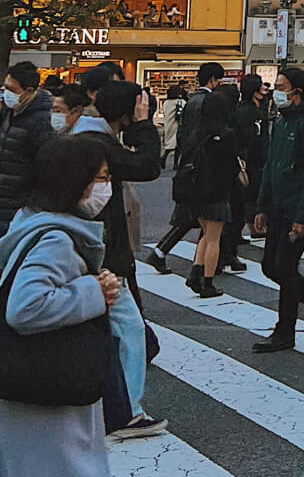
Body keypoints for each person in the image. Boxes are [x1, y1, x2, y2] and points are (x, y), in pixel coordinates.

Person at [0, 134, 122, 477]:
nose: (107, 187)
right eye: (101, 178)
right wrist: (94, 292)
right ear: (75, 182)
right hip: (50, 393)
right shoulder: (56, 238)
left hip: (28, 393)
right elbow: (25, 307)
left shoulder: (29, 220)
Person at [71, 81, 164, 438]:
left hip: (92, 250)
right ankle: (126, 411)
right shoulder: (99, 144)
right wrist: (143, 125)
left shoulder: (80, 135)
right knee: (130, 330)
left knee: (124, 330)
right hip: (103, 253)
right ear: (127, 114)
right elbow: (146, 166)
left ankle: (117, 405)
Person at [251, 68, 304, 353]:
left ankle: (285, 330)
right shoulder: (282, 121)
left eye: (281, 87)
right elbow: (270, 166)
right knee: (270, 266)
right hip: (277, 204)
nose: (275, 92)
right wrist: (261, 206)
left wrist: (303, 216)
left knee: (285, 268)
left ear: (297, 92)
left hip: (297, 206)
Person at [145, 62, 225, 271]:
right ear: (213, 80)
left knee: (193, 215)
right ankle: (202, 264)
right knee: (201, 215)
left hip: (189, 161)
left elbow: (184, 132)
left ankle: (165, 253)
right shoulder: (208, 102)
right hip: (202, 163)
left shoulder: (191, 101)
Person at [186, 90, 240, 299]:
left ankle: (195, 271)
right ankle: (207, 282)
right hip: (218, 192)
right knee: (214, 239)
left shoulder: (197, 134)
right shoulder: (227, 135)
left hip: (196, 191)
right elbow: (231, 166)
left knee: (206, 234)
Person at [0, 62, 55, 236]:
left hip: (19, 205)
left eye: (12, 89)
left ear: (29, 91)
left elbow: (46, 164)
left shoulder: (41, 121)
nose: (6, 93)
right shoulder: (8, 112)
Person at [225, 74, 268, 274]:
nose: (265, 91)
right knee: (242, 204)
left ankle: (229, 248)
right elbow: (254, 141)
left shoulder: (243, 111)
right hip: (249, 163)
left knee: (240, 205)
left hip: (244, 162)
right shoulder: (251, 114)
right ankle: (229, 251)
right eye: (262, 88)